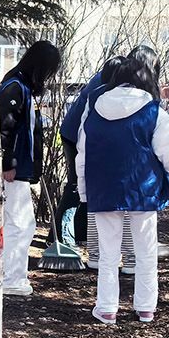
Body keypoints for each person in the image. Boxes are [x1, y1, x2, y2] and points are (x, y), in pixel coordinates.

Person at [78, 56, 169, 324]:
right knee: (145, 250)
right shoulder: (153, 112)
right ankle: (146, 307)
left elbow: (82, 154)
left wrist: (84, 191)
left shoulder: (93, 108)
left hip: (103, 187)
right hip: (143, 188)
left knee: (108, 252)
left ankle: (107, 308)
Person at [0, 40, 61, 297]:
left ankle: (10, 274)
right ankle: (11, 277)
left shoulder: (21, 88)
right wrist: (8, 163)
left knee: (18, 222)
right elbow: (4, 128)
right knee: (20, 223)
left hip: (21, 168)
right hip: (14, 170)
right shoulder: (15, 88)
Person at [59, 55, 124, 247]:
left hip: (84, 137)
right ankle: (62, 237)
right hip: (75, 136)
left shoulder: (107, 82)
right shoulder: (100, 91)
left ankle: (80, 233)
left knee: (86, 186)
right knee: (76, 185)